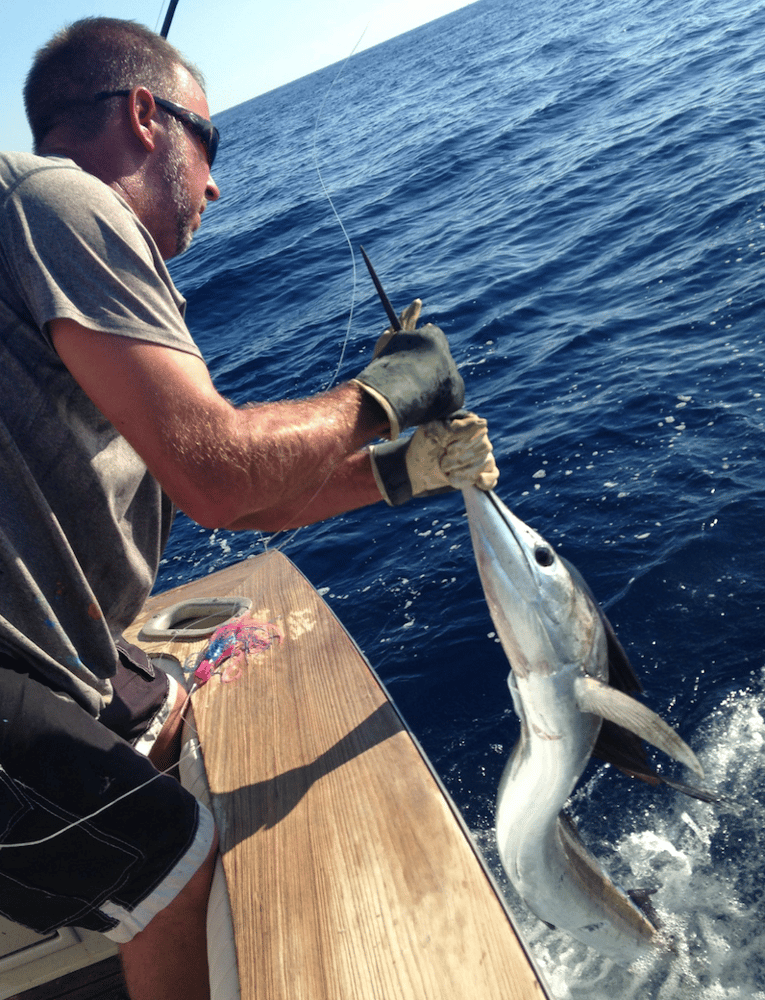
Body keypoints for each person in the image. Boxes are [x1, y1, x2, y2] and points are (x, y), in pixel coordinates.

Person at [0, 17, 498, 1000]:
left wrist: (402, 473)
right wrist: (381, 398)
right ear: (146, 115)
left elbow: (225, 496)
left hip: (44, 651)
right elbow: (220, 473)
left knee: (167, 704)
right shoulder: (56, 200)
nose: (218, 185)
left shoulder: (46, 258)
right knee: (169, 859)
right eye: (209, 144)